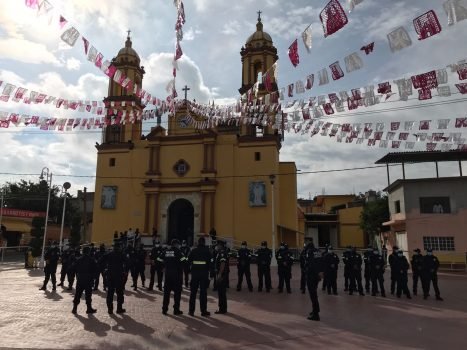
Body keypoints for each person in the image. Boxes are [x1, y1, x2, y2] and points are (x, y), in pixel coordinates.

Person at [188, 236, 212, 316]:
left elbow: (188, 260)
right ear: (204, 243)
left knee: (193, 293)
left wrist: (189, 271)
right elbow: (211, 262)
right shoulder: (207, 251)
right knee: (203, 293)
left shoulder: (193, 250)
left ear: (198, 242)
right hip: (204, 274)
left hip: (195, 274)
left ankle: (191, 311)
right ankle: (203, 311)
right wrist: (210, 274)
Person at [162, 239, 185, 315]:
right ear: (176, 244)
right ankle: (176, 310)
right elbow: (184, 261)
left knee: (166, 293)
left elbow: (159, 259)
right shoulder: (178, 252)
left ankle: (164, 309)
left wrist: (163, 266)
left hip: (168, 274)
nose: (179, 246)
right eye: (178, 244)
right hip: (176, 275)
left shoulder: (166, 251)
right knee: (177, 293)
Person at [72, 246, 98, 314]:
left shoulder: (78, 259)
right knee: (88, 295)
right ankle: (89, 308)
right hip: (88, 279)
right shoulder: (91, 260)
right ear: (88, 252)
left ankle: (74, 308)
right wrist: (94, 277)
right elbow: (96, 269)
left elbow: (73, 268)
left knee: (78, 294)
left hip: (80, 279)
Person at [104, 243, 128, 314]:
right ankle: (119, 308)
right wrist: (125, 271)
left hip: (110, 275)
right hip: (119, 276)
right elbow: (128, 262)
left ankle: (110, 309)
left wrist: (104, 269)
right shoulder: (122, 254)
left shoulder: (109, 254)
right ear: (119, 247)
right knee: (119, 293)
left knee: (110, 293)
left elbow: (100, 260)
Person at [304, 239, 324, 321]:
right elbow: (322, 262)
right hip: (317, 276)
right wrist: (321, 272)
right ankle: (315, 310)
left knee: (313, 295)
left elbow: (311, 264)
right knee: (314, 293)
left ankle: (316, 315)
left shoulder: (310, 252)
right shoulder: (319, 251)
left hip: (312, 276)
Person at [214, 240, 228, 314]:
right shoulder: (220, 252)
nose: (216, 246)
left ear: (220, 245)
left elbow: (222, 263)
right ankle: (223, 308)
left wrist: (219, 274)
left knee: (221, 292)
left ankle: (222, 309)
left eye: (217, 245)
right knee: (221, 292)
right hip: (221, 274)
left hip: (221, 275)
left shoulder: (222, 253)